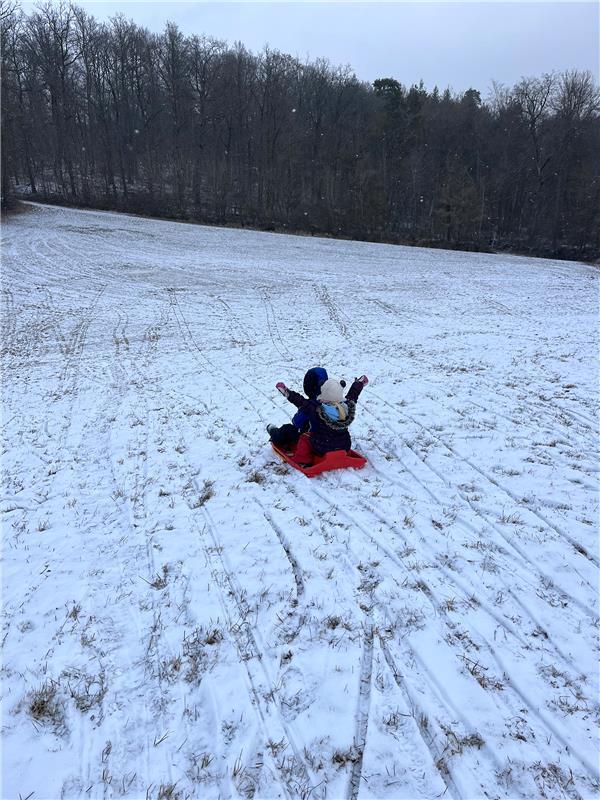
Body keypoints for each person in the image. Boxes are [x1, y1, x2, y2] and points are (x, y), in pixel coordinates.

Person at [270, 373, 369, 464]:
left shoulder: (317, 409)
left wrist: (286, 392)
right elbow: (353, 394)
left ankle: (303, 458)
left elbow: (300, 401)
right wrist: (359, 383)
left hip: (322, 448)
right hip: (344, 447)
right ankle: (340, 451)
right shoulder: (347, 407)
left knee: (305, 437)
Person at [267, 367, 328, 451]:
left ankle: (274, 432)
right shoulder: (333, 402)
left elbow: (297, 422)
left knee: (287, 429)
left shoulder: (310, 406)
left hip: (312, 441)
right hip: (330, 439)